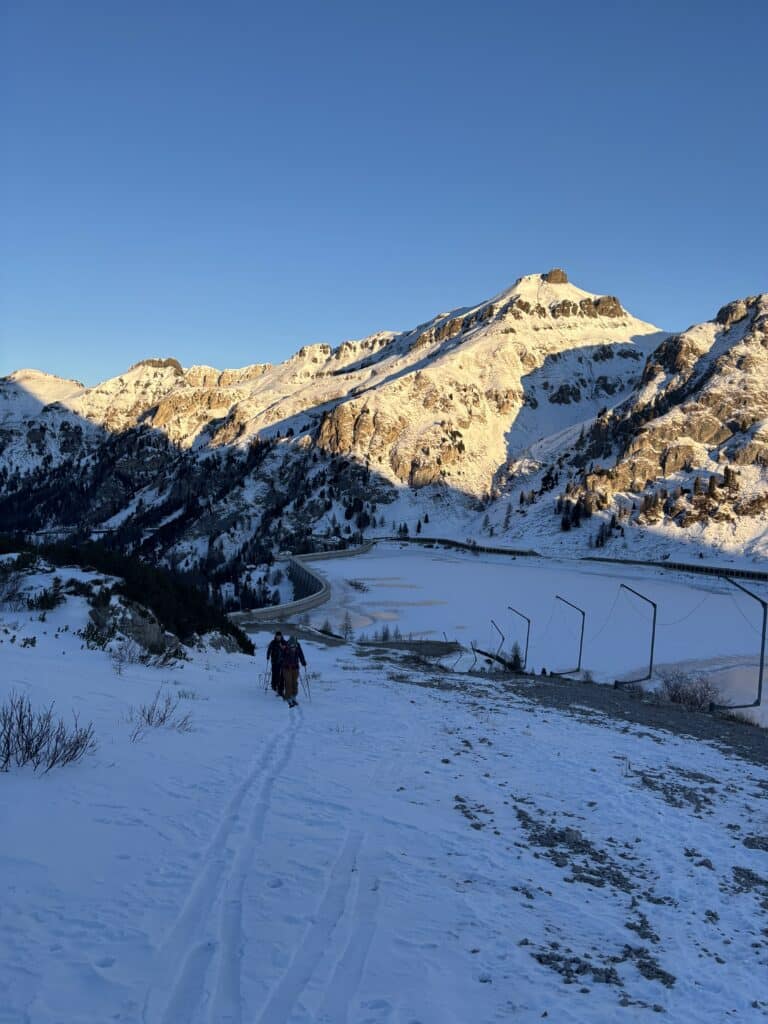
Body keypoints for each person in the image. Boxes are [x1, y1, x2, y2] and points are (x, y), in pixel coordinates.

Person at [281, 636, 306, 708]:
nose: (293, 648)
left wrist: (303, 662)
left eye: (294, 646)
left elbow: (301, 654)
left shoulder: (298, 646)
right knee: (288, 682)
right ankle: (288, 697)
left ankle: (293, 696)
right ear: (289, 644)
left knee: (295, 682)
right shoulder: (285, 648)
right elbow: (282, 657)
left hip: (295, 668)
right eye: (291, 646)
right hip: (286, 668)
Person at [266, 631, 286, 696]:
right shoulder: (273, 642)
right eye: (277, 636)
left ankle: (279, 688)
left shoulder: (284, 642)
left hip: (282, 661)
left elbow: (286, 649)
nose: (278, 637)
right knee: (274, 673)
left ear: (281, 636)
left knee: (280, 675)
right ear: (275, 636)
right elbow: (269, 649)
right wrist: (268, 655)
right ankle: (273, 685)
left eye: (279, 636)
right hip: (274, 660)